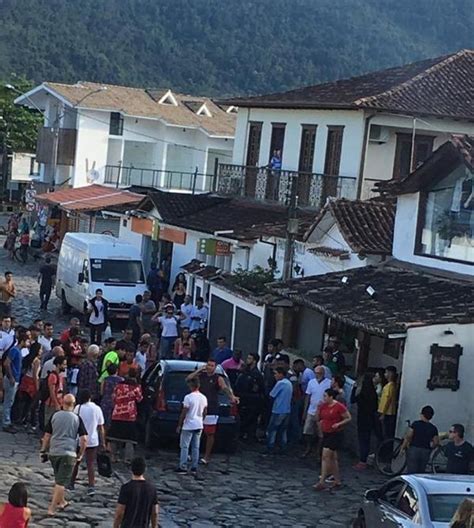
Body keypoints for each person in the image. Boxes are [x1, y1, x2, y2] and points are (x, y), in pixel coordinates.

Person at [41, 393, 88, 516]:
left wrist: (43, 450)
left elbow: (47, 436)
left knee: (58, 479)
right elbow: (84, 439)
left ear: (62, 403)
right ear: (74, 404)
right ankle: (52, 508)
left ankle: (62, 502)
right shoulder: (77, 419)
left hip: (54, 452)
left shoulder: (55, 416)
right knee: (61, 483)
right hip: (68, 453)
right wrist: (81, 454)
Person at [186, 358, 238, 465]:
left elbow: (225, 388)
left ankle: (206, 456)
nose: (209, 367)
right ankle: (192, 453)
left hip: (212, 408)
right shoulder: (200, 377)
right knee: (194, 431)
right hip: (199, 408)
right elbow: (189, 379)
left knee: (210, 433)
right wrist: (199, 370)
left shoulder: (218, 378)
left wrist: (232, 397)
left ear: (215, 367)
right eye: (208, 365)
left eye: (212, 365)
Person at [313, 388, 351, 491]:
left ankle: (322, 481)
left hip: (335, 434)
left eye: (325, 396)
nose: (324, 398)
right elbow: (317, 418)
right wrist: (317, 408)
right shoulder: (323, 406)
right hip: (326, 433)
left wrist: (338, 424)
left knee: (325, 456)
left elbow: (348, 418)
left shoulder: (339, 406)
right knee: (333, 458)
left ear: (331, 397)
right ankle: (337, 480)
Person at [71, 389, 105, 495]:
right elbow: (101, 427)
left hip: (80, 439)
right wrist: (103, 441)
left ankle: (71, 482)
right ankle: (91, 486)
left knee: (76, 461)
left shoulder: (78, 408)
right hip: (93, 439)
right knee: (90, 464)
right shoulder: (97, 409)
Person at [108, 369, 143, 463]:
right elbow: (139, 399)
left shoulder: (119, 386)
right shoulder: (136, 387)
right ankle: (127, 458)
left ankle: (113, 457)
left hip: (117, 413)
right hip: (130, 415)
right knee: (130, 438)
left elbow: (113, 397)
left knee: (114, 437)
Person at [113, 457, 158, 528]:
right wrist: (154, 526)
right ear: (145, 469)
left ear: (131, 469)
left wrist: (115, 526)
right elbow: (154, 512)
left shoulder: (126, 488)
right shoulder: (152, 489)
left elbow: (120, 512)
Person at [176, 378, 207, 475]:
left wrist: (179, 424)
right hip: (199, 424)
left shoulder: (188, 397)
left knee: (185, 446)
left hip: (189, 424)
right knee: (196, 447)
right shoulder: (203, 397)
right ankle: (194, 466)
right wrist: (202, 420)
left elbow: (184, 412)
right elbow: (205, 411)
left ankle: (183, 466)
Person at [301, 366, 332, 458]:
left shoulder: (328, 383)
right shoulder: (311, 382)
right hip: (311, 410)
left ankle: (318, 452)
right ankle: (308, 448)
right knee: (307, 431)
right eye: (316, 373)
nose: (317, 375)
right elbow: (308, 396)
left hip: (323, 412)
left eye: (319, 373)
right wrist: (305, 410)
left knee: (321, 434)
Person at [351, 373, 378, 470]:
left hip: (362, 419)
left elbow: (352, 400)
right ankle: (364, 460)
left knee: (362, 441)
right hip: (370, 419)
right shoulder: (373, 394)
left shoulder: (361, 394)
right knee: (367, 440)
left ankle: (363, 461)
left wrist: (354, 388)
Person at [2, 330, 28, 433]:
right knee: (8, 401)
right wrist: (11, 377)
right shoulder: (14, 350)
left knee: (10, 401)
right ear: (22, 341)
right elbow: (6, 363)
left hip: (15, 378)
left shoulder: (17, 351)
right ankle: (6, 423)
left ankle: (7, 421)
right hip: (11, 379)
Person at [235, 352, 264, 442]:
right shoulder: (245, 371)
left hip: (251, 402)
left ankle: (249, 439)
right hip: (241, 400)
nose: (247, 360)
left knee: (250, 422)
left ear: (254, 361)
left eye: (250, 358)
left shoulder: (256, 375)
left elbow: (258, 389)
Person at [401, 405, 439, 474]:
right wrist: (431, 448)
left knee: (411, 472)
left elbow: (408, 436)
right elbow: (436, 442)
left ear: (422, 414)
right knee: (421, 472)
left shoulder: (415, 424)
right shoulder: (433, 428)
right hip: (426, 450)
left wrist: (403, 447)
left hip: (414, 448)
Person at [266, 367, 292, 454]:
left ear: (281, 374)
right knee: (283, 430)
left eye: (276, 373)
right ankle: (283, 447)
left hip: (278, 410)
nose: (275, 376)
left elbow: (272, 395)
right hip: (287, 410)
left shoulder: (280, 383)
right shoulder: (289, 383)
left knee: (272, 429)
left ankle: (270, 446)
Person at [15, 342, 42, 430]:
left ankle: (22, 419)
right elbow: (35, 375)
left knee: (24, 402)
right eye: (40, 349)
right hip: (31, 381)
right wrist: (37, 386)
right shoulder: (37, 361)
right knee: (31, 403)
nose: (41, 351)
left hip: (25, 380)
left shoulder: (28, 358)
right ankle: (27, 420)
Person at [44, 356, 67, 426]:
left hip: (59, 403)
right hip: (52, 404)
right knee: (49, 423)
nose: (65, 366)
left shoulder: (60, 376)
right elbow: (52, 392)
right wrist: (56, 403)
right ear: (58, 365)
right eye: (64, 364)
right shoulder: (53, 376)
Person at [100, 364, 124, 430]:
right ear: (117, 370)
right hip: (117, 403)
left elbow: (101, 392)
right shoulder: (121, 380)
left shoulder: (105, 380)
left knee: (104, 423)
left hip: (105, 402)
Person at [378, 366, 398, 439]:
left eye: (386, 373)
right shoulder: (390, 385)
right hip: (386, 413)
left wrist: (383, 413)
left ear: (390, 373)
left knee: (385, 434)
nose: (384, 374)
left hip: (387, 413)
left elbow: (388, 400)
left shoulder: (390, 386)